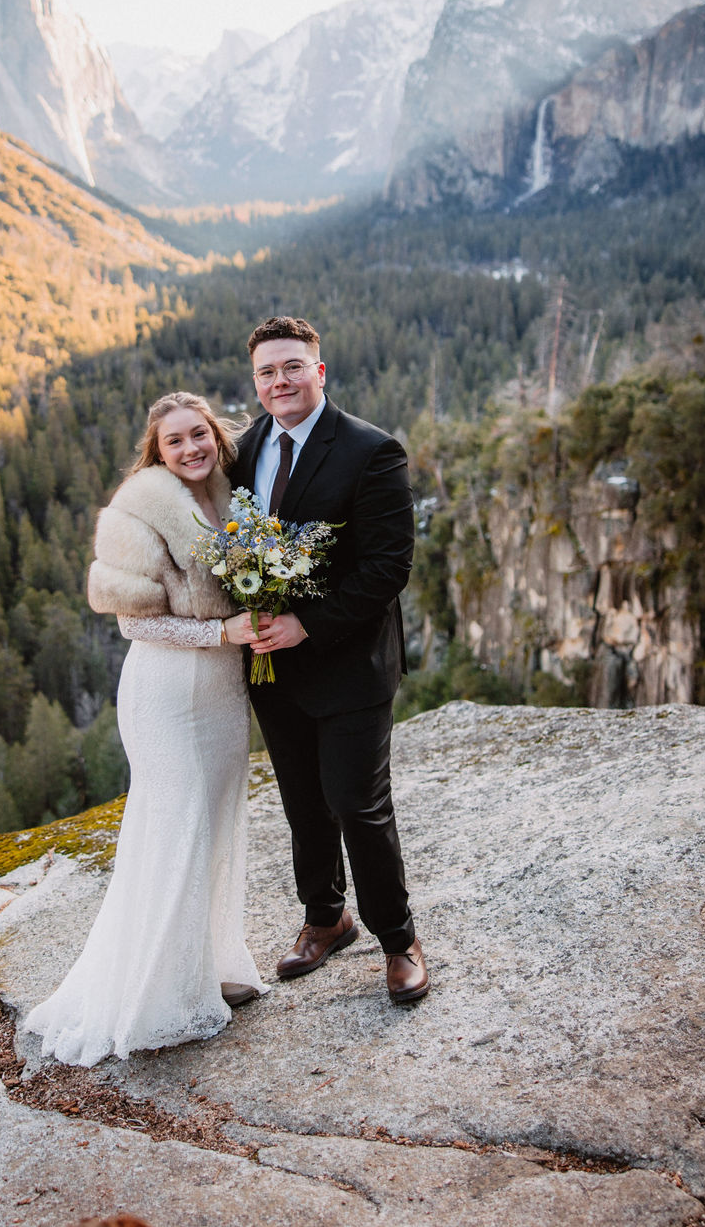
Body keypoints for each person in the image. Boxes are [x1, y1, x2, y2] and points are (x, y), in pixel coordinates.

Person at [24, 392, 267, 1066]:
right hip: (167, 689)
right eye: (174, 442)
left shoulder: (228, 491)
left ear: (216, 436)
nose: (190, 449)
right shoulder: (137, 508)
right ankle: (155, 992)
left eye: (199, 435)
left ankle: (205, 964)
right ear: (155, 452)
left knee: (214, 819)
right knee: (176, 822)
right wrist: (223, 629)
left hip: (221, 687)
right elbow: (132, 620)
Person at [230, 316, 429, 1004]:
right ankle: (325, 917)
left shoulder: (372, 450)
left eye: (291, 367)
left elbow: (387, 569)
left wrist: (304, 625)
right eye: (266, 372)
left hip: (348, 665)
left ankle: (399, 939)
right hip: (272, 672)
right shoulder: (243, 447)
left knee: (357, 804)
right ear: (254, 382)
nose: (279, 381)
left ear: (320, 371)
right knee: (302, 804)